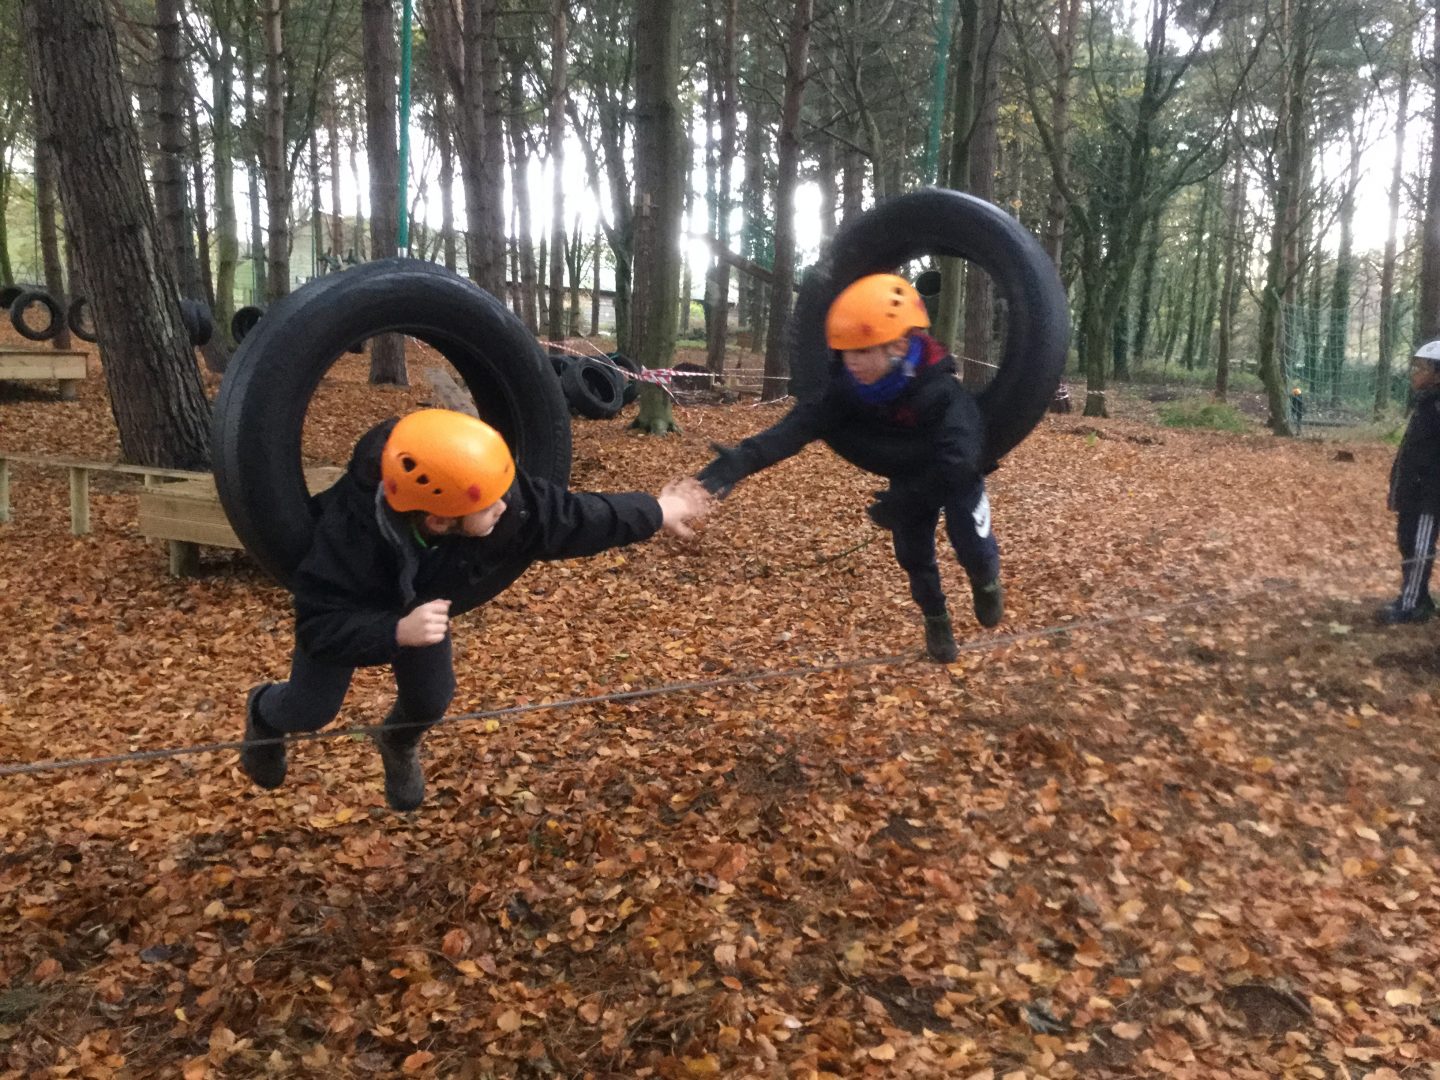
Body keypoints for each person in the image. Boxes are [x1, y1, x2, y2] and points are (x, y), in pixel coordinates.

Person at [239, 409, 712, 809]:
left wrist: (659, 510)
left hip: (420, 600)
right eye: (490, 507)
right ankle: (263, 711)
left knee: (431, 700)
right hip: (354, 607)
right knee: (311, 709)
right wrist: (394, 632)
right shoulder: (348, 537)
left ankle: (396, 740)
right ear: (438, 519)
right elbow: (319, 626)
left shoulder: (494, 495)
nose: (505, 508)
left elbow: (576, 517)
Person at [697, 273, 1001, 664]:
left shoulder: (940, 391)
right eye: (844, 352)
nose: (851, 362)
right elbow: (799, 426)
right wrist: (742, 460)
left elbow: (960, 461)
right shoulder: (848, 386)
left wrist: (909, 501)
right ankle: (936, 617)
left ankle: (985, 580)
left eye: (861, 351)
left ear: (898, 345)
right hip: (908, 472)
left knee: (971, 540)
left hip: (953, 474)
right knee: (913, 554)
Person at [1377, 341, 1440, 625]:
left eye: (1422, 368)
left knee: (1419, 547)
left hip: (1429, 495)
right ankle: (1420, 597)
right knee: (1406, 542)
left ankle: (1411, 604)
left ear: (1437, 375)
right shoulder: (1425, 403)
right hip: (1411, 490)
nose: (1415, 373)